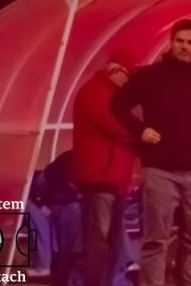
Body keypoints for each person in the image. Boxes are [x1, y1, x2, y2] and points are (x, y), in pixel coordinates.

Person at [111, 20, 191, 286]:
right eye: (179, 41)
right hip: (159, 170)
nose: (184, 47)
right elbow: (118, 105)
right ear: (171, 41)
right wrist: (140, 129)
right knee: (156, 239)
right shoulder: (149, 77)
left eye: (190, 42)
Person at [72, 48, 138, 286]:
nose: (130, 82)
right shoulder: (95, 93)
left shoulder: (109, 95)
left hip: (114, 180)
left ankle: (108, 281)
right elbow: (117, 127)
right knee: (99, 240)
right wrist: (144, 131)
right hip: (100, 179)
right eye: (129, 76)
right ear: (116, 70)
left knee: (109, 240)